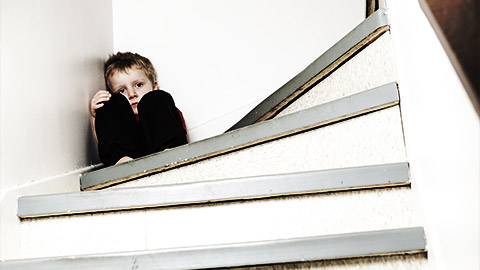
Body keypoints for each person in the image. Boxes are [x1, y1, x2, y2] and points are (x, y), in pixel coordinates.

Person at [90, 52, 188, 166]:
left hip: (163, 150)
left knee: (156, 99)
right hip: (129, 158)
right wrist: (94, 116)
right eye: (122, 91)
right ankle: (121, 161)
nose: (132, 94)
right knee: (110, 105)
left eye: (139, 85)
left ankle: (170, 151)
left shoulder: (161, 109)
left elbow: (181, 133)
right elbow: (104, 143)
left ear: (154, 86)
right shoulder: (118, 113)